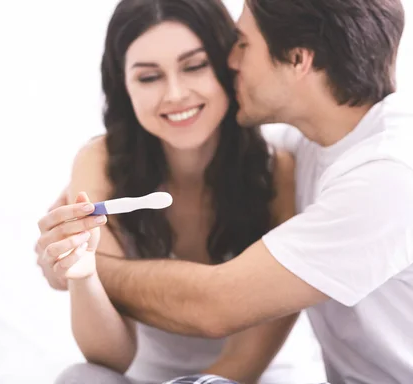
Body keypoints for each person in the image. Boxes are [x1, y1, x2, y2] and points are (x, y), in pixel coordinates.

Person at [36, 0, 413, 383]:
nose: (232, 59)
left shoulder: (379, 175)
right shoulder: (311, 142)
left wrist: (82, 268)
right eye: (149, 77)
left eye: (242, 45)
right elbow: (108, 357)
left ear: (298, 59)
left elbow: (216, 308)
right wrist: (79, 267)